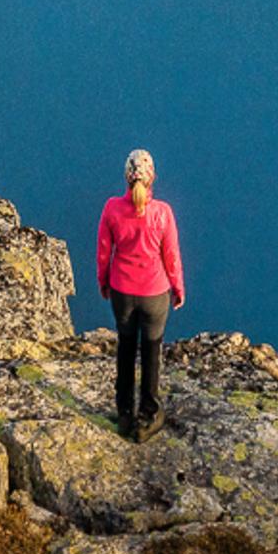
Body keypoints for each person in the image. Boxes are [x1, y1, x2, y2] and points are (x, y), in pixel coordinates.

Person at [96, 147, 184, 439]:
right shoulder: (162, 213)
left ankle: (124, 414)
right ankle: (148, 416)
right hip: (155, 294)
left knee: (125, 348)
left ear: (126, 176)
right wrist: (178, 286)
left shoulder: (111, 208)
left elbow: (104, 252)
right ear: (152, 178)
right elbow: (171, 254)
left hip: (122, 290)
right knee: (150, 351)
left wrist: (104, 281)